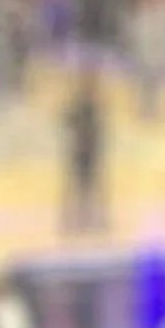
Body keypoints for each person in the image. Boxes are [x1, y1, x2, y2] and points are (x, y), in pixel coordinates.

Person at [62, 71, 107, 235]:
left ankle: (90, 218)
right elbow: (66, 122)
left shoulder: (93, 107)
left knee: (91, 186)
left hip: (89, 152)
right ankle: (71, 218)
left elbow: (99, 131)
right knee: (77, 186)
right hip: (81, 152)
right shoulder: (80, 106)